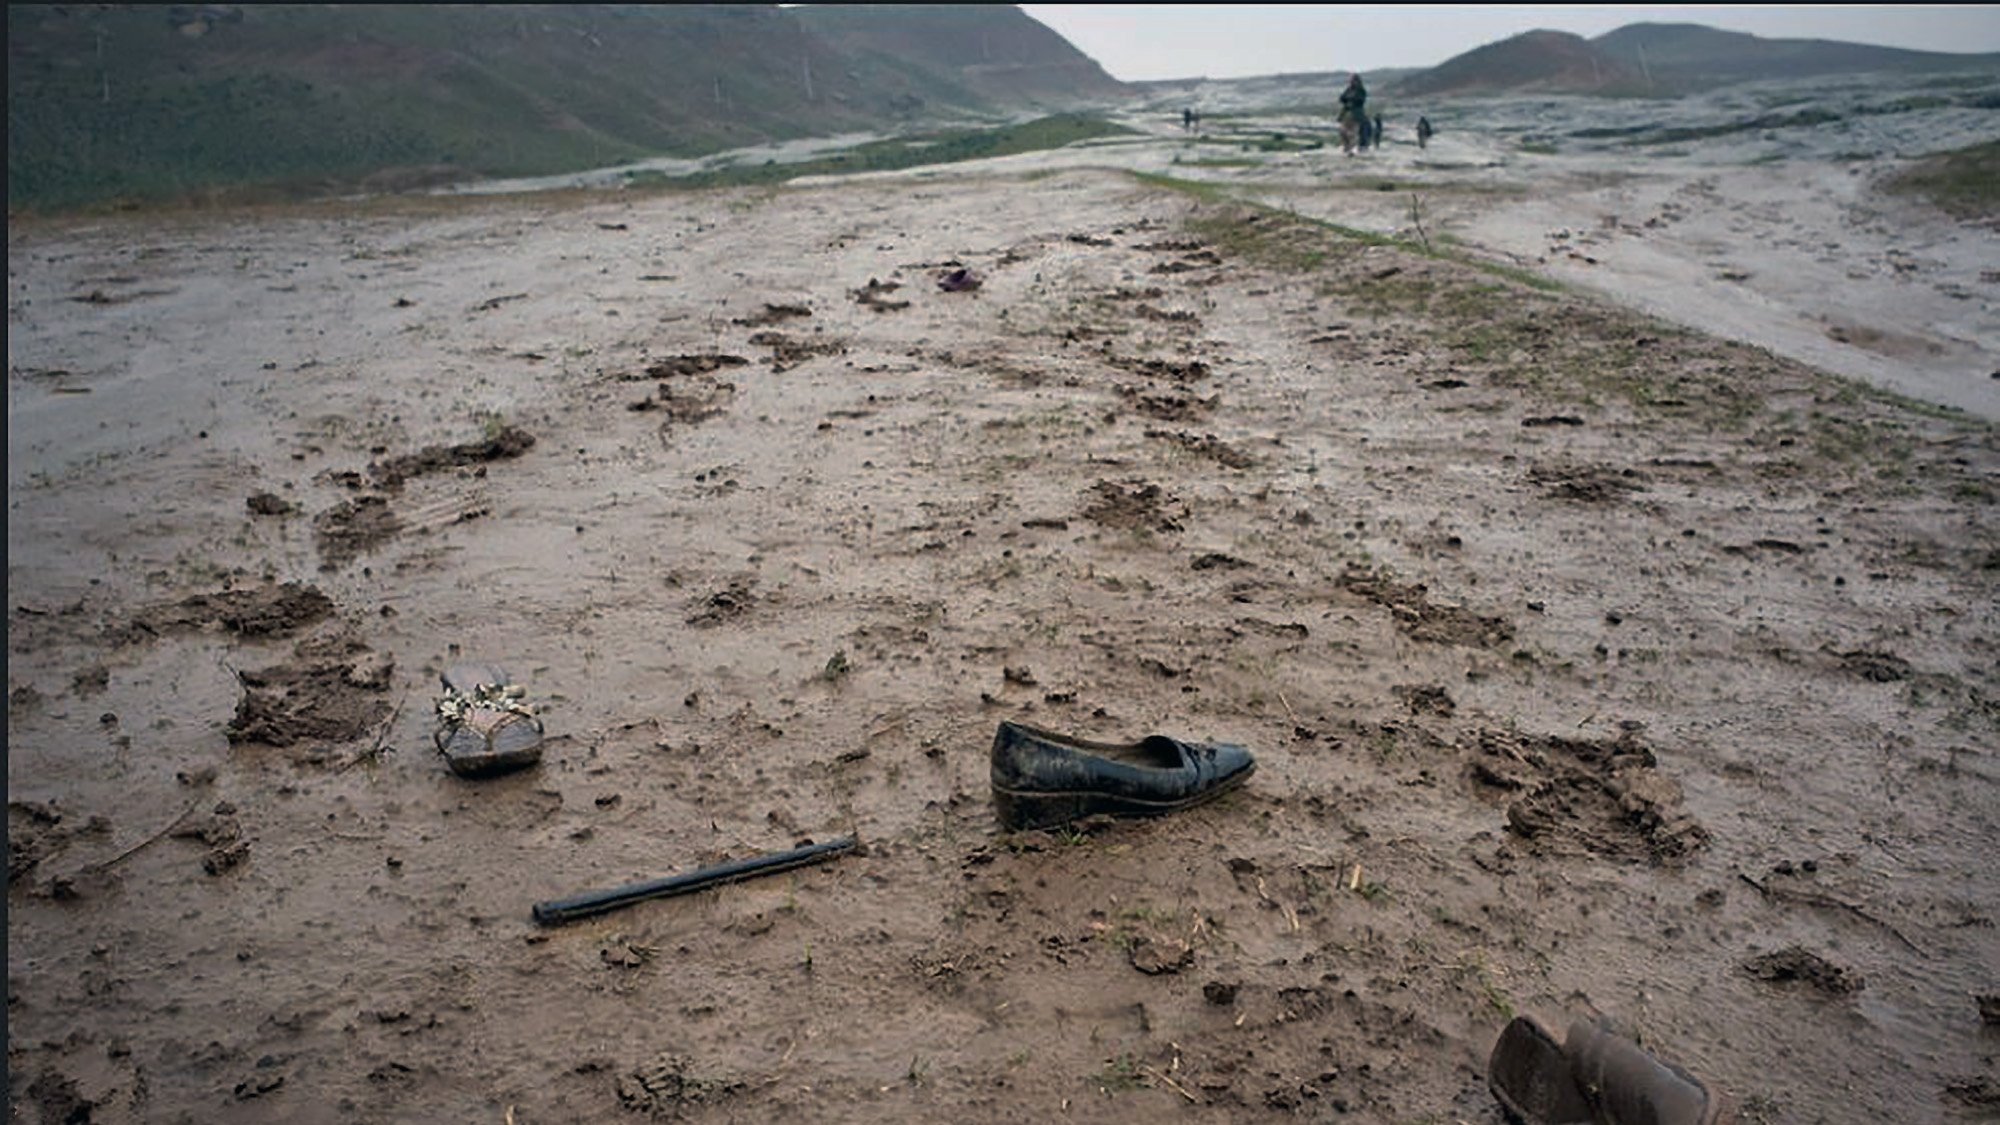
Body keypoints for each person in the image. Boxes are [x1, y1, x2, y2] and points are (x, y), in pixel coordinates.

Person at [1338, 73, 1367, 155]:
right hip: (1346, 112)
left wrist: (1350, 99)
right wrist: (1349, 100)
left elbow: (1358, 100)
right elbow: (1342, 98)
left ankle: (1351, 149)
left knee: (1352, 133)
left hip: (1356, 114)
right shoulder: (1349, 89)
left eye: (1353, 80)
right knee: (1342, 131)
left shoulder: (1361, 90)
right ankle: (1346, 147)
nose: (1351, 82)